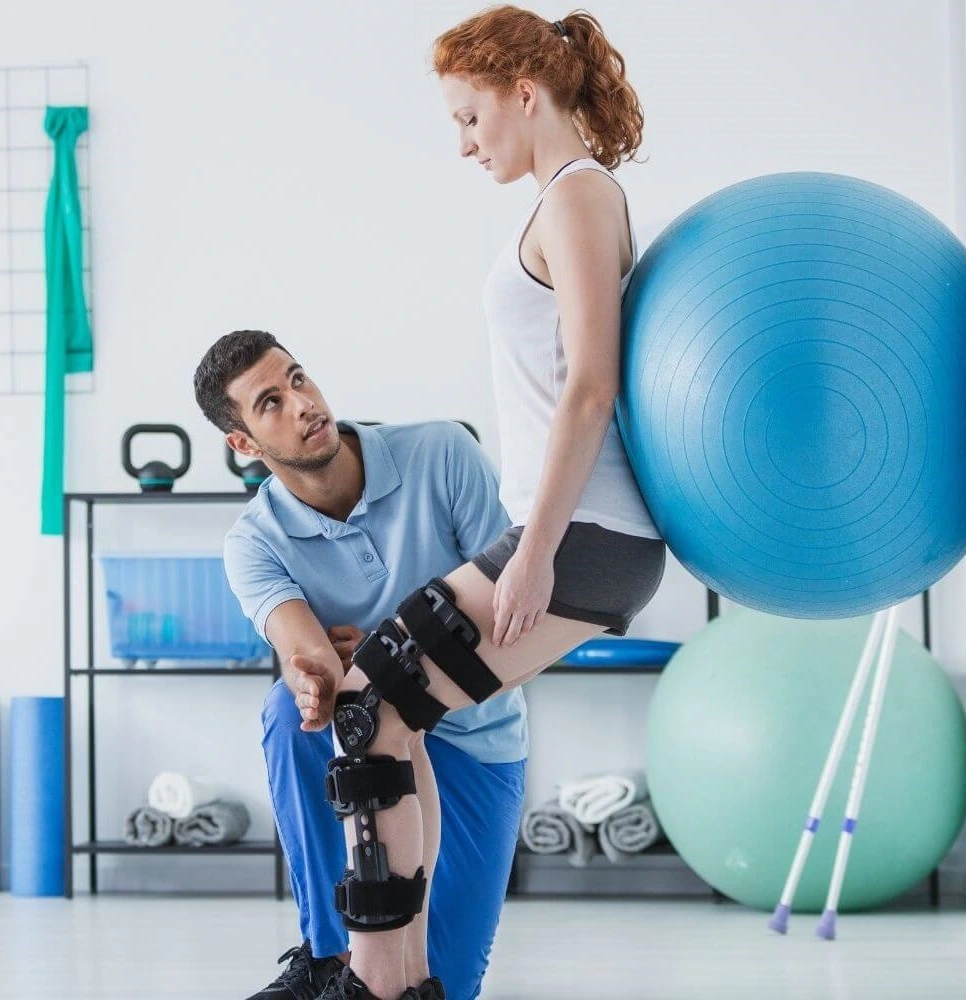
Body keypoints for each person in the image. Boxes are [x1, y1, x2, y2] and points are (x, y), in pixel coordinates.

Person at [305, 7, 667, 1000]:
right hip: (571, 529)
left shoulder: (580, 199)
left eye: (470, 119)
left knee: (372, 699)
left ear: (523, 90)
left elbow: (592, 385)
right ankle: (399, 979)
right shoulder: (559, 200)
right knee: (387, 713)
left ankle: (380, 987)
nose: (464, 143)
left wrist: (538, 550)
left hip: (585, 534)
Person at [192, 329, 529, 1000]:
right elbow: (306, 655)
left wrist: (379, 655)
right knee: (292, 710)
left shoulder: (442, 455)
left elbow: (516, 625)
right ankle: (327, 957)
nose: (302, 403)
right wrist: (321, 672)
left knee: (442, 986)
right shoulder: (254, 542)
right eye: (269, 402)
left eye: (297, 379)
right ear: (244, 445)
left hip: (476, 742)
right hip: (366, 740)